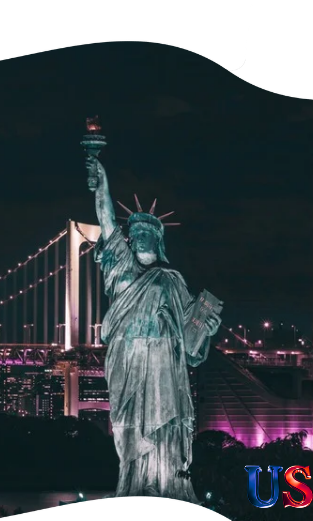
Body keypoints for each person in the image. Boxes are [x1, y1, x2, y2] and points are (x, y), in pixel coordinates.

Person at [87, 154, 222, 500]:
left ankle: (170, 486)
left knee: (167, 428)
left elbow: (192, 342)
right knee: (131, 427)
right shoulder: (121, 272)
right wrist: (101, 180)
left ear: (158, 239)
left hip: (165, 366)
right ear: (129, 240)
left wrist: (207, 326)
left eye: (148, 232)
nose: (141, 236)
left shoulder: (172, 280)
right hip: (129, 362)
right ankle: (133, 485)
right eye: (135, 232)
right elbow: (105, 219)